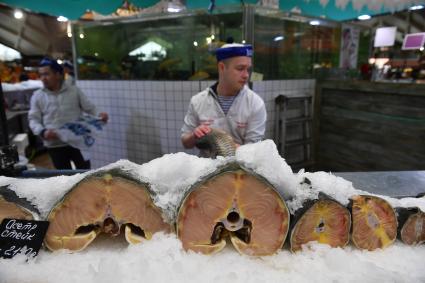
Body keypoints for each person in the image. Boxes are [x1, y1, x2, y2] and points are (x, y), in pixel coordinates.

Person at [181, 43, 267, 154]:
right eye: (240, 68)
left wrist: (229, 147)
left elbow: (254, 150)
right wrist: (194, 135)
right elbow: (185, 142)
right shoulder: (198, 101)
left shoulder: (255, 103)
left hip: (240, 169)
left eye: (248, 69)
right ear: (222, 67)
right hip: (207, 167)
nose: (246, 75)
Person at [28, 57, 108, 169]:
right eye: (41, 75)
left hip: (78, 142)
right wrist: (43, 131)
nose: (43, 78)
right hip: (55, 145)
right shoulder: (37, 96)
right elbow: (33, 119)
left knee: (85, 174)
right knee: (65, 178)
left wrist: (100, 114)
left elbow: (90, 107)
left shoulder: (74, 91)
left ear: (58, 74)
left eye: (46, 74)